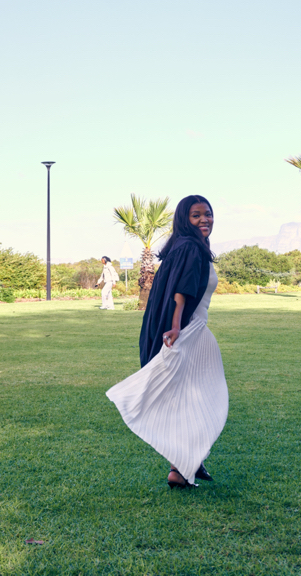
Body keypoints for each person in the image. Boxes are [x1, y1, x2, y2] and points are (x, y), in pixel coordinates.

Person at [106, 195, 228, 489]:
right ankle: (184, 463)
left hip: (188, 328)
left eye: (208, 214)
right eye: (196, 215)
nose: (204, 220)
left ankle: (183, 466)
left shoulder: (185, 246)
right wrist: (175, 327)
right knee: (207, 396)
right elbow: (181, 291)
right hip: (188, 329)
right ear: (185, 220)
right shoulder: (190, 248)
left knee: (187, 396)